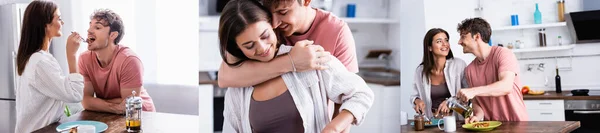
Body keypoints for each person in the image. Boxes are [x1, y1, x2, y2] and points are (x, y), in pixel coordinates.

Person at [219, 1, 373, 133]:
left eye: (265, 36)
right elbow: (224, 78)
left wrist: (333, 128)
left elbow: (357, 94)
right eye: (249, 45)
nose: (261, 48)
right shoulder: (239, 86)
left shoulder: (317, 52)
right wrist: (292, 62)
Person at [14, 1, 84, 132]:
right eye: (59, 18)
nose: (62, 23)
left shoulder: (36, 57)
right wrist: (72, 55)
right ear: (45, 24)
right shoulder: (40, 62)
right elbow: (74, 95)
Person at [75, 9, 155, 114]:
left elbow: (128, 105)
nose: (89, 31)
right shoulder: (84, 59)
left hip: (141, 115)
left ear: (113, 35)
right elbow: (86, 102)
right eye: (90, 26)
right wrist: (114, 107)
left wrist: (96, 103)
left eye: (97, 27)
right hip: (109, 114)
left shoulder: (130, 60)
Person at [455, 18, 528, 123]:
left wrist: (473, 91)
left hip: (517, 124)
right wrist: (477, 116)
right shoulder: (469, 70)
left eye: (463, 36)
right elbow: (477, 102)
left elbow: (506, 86)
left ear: (477, 37)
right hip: (491, 126)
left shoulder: (503, 54)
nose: (459, 42)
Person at [411, 28, 468, 119]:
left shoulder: (459, 65)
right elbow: (414, 95)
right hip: (431, 121)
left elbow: (468, 94)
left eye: (446, 40)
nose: (445, 44)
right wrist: (417, 101)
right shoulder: (420, 71)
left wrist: (450, 102)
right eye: (439, 41)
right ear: (429, 47)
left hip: (456, 120)